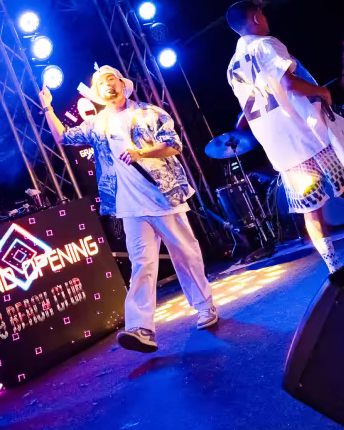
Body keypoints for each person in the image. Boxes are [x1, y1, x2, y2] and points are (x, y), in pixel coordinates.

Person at [38, 66, 217, 353]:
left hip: (162, 195)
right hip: (128, 205)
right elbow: (64, 137)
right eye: (101, 82)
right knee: (142, 264)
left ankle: (205, 307)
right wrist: (47, 107)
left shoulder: (148, 112)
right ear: (97, 93)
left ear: (123, 84)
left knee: (186, 255)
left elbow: (174, 145)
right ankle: (140, 328)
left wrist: (140, 153)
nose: (108, 84)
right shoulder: (98, 123)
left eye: (112, 79)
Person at [226, 0, 344, 272]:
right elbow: (289, 83)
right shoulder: (265, 44)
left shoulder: (232, 67)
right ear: (255, 18)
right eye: (262, 13)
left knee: (310, 207)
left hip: (282, 148)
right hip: (307, 132)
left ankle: (333, 266)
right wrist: (321, 92)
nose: (266, 18)